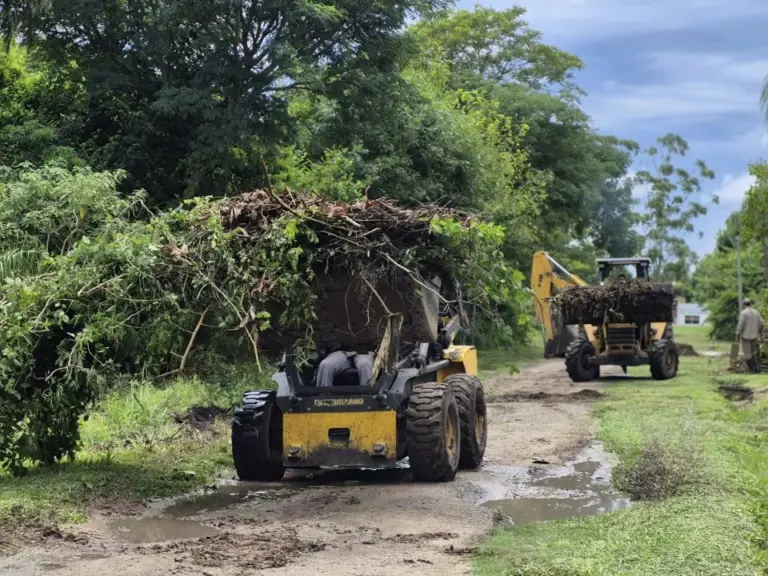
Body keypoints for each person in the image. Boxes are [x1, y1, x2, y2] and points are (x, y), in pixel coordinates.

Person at [736, 299, 764, 373]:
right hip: (754, 336)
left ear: (744, 305)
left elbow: (740, 325)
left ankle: (753, 369)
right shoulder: (756, 312)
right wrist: (758, 332)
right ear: (750, 304)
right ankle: (757, 368)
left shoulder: (743, 313)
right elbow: (761, 323)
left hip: (745, 337)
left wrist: (737, 333)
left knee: (747, 355)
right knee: (753, 353)